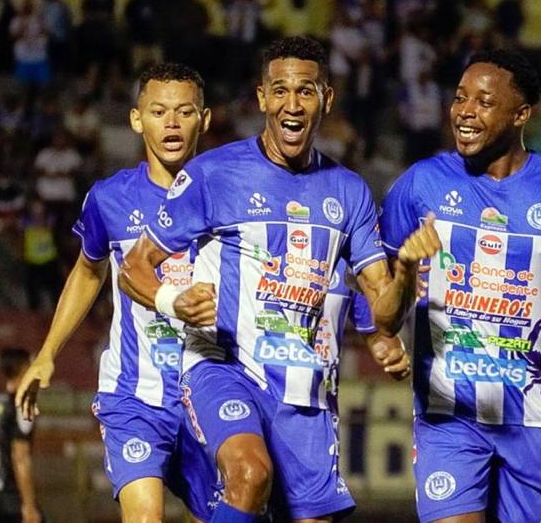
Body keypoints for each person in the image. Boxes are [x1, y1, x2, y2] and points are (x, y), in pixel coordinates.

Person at [118, 36, 440, 523]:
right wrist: (172, 300)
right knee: (249, 474)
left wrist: (408, 268)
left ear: (326, 99)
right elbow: (133, 268)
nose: (293, 105)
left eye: (306, 91)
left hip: (306, 389)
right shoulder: (213, 175)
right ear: (263, 98)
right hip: (221, 368)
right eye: (281, 91)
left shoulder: (348, 192)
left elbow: (384, 314)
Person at [379, 49, 541, 523]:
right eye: (460, 98)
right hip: (448, 415)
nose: (465, 111)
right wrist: (387, 314)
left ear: (521, 114)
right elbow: (376, 283)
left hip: (530, 419)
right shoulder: (421, 184)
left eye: (483, 102)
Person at [15, 63, 220, 522]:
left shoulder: (231, 198)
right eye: (158, 111)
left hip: (213, 394)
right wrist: (48, 352)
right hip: (134, 396)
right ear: (135, 119)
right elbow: (87, 273)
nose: (171, 123)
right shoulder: (109, 199)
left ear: (203, 121)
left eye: (184, 112)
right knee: (144, 517)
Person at [0, 348, 42, 523]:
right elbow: (20, 456)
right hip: (10, 497)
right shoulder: (23, 405)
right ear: (24, 369)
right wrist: (29, 506)